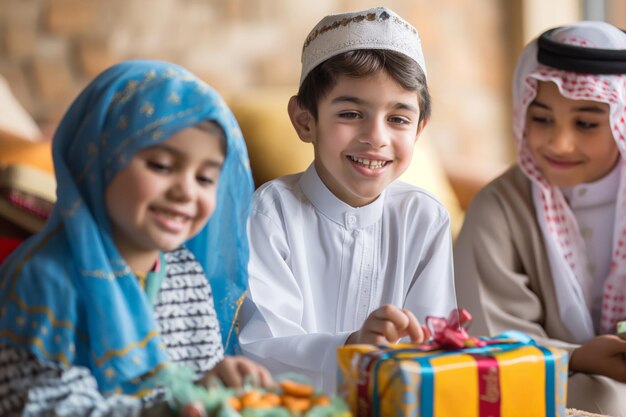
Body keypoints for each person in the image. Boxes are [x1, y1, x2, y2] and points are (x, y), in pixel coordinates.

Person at [0, 60, 272, 416]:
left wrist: (216, 383)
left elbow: (191, 382)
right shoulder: (44, 278)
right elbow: (36, 404)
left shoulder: (185, 274)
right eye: (161, 166)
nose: (186, 192)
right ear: (99, 159)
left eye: (205, 178)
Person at [238, 6, 457, 394]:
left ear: (420, 127)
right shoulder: (271, 212)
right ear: (306, 121)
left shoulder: (424, 217)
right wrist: (349, 348)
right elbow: (259, 350)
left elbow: (433, 348)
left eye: (398, 119)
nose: (376, 137)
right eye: (352, 113)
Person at [454, 21, 626, 415]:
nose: (559, 143)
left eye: (586, 123)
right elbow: (488, 341)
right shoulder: (498, 207)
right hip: (541, 385)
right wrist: (577, 357)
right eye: (542, 118)